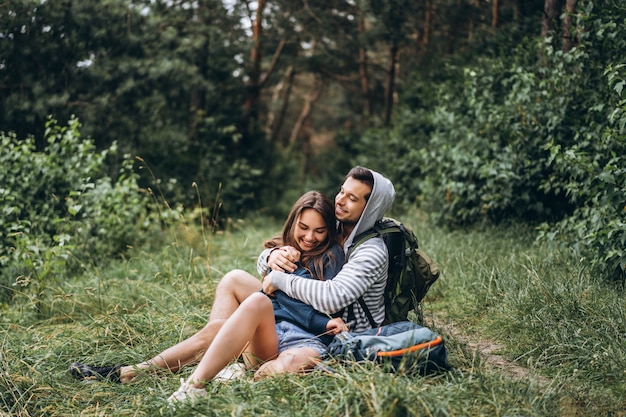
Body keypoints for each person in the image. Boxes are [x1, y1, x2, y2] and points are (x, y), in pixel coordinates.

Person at [70, 166, 395, 384]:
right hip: (294, 316)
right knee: (233, 282)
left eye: (353, 198)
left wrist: (276, 280)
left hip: (324, 331)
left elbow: (331, 298)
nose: (341, 200)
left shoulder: (366, 248)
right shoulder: (337, 224)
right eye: (342, 192)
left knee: (251, 309)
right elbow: (290, 247)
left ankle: (167, 368)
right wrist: (271, 257)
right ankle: (157, 365)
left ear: (370, 207)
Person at [166, 190, 348, 403]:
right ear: (292, 224)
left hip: (299, 338)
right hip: (272, 331)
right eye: (304, 227)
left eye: (320, 231)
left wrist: (287, 272)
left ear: (329, 231)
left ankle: (214, 373)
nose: (309, 237)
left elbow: (295, 300)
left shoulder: (331, 256)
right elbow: (273, 292)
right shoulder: (283, 250)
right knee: (234, 281)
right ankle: (133, 372)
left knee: (259, 302)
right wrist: (274, 256)